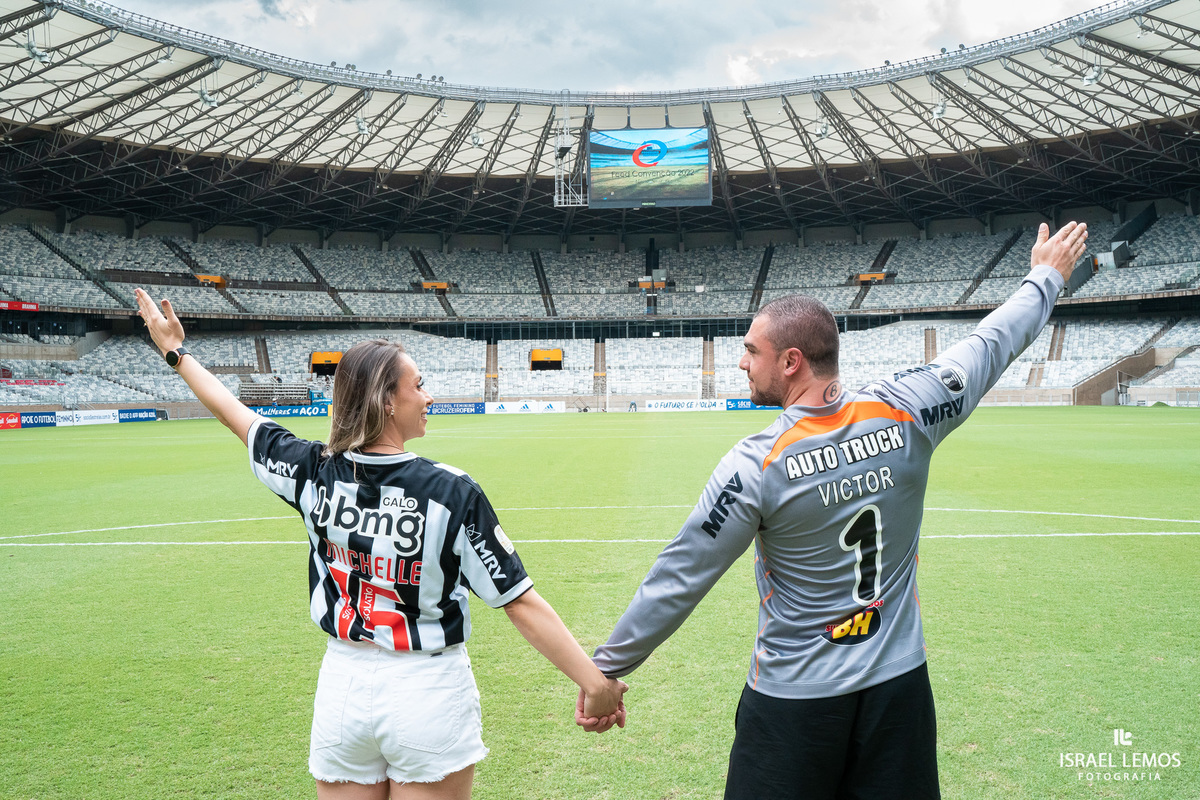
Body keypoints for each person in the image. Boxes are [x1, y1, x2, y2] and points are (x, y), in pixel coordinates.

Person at [580, 222, 1089, 799]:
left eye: (752, 350)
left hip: (794, 703)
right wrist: (1046, 276)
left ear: (792, 360)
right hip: (899, 691)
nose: (742, 363)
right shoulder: (909, 408)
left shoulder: (757, 465)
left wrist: (607, 671)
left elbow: (680, 576)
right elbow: (991, 344)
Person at [134, 287, 626, 800]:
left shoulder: (313, 471)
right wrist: (595, 686)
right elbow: (517, 601)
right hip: (427, 693)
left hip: (342, 692)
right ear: (388, 401)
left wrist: (177, 353)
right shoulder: (450, 491)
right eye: (419, 385)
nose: (429, 395)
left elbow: (237, 417)